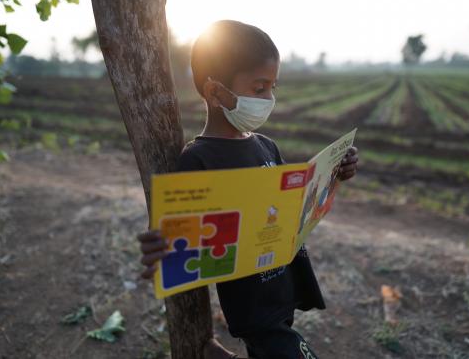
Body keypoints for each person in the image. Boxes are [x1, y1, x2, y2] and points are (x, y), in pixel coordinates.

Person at [137, 20, 359, 359]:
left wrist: (333, 176)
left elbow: (290, 206)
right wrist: (161, 245)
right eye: (259, 89)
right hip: (253, 306)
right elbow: (182, 236)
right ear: (215, 92)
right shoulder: (200, 159)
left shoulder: (266, 146)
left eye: (272, 87)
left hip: (283, 285)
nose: (269, 98)